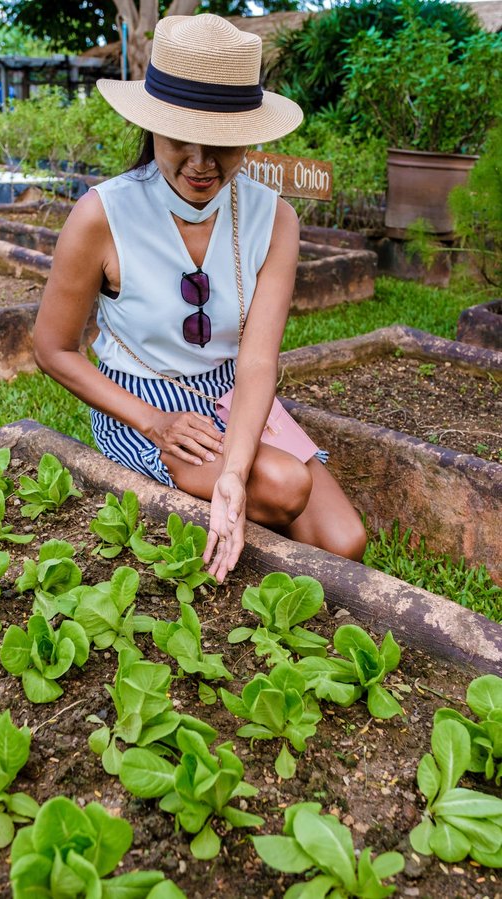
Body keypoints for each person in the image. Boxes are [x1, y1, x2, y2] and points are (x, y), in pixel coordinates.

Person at [33, 14, 367, 584]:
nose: (200, 161)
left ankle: (236, 510)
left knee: (345, 541)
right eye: (179, 137)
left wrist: (234, 473)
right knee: (286, 486)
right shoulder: (103, 215)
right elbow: (52, 348)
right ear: (151, 127)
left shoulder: (275, 219)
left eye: (222, 142)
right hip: (141, 401)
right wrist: (156, 422)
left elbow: (258, 360)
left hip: (231, 394)